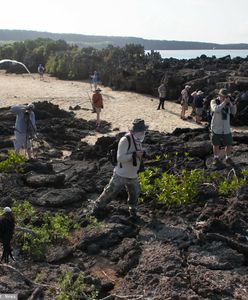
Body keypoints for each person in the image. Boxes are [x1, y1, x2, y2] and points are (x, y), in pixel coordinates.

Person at [92, 119, 148, 218]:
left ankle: (133, 210)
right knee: (111, 192)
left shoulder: (138, 140)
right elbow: (120, 158)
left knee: (135, 193)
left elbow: (135, 154)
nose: (143, 133)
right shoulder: (125, 140)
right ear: (134, 131)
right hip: (121, 174)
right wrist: (134, 155)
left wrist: (141, 155)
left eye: (143, 131)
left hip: (133, 174)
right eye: (141, 131)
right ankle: (98, 207)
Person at [210, 88, 237, 165]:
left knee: (228, 144)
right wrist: (224, 102)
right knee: (216, 144)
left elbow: (234, 112)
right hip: (216, 127)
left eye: (226, 96)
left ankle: (228, 158)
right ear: (219, 95)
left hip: (226, 128)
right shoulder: (214, 101)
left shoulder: (228, 103)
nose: (225, 97)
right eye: (223, 96)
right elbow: (216, 109)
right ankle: (216, 158)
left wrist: (233, 104)